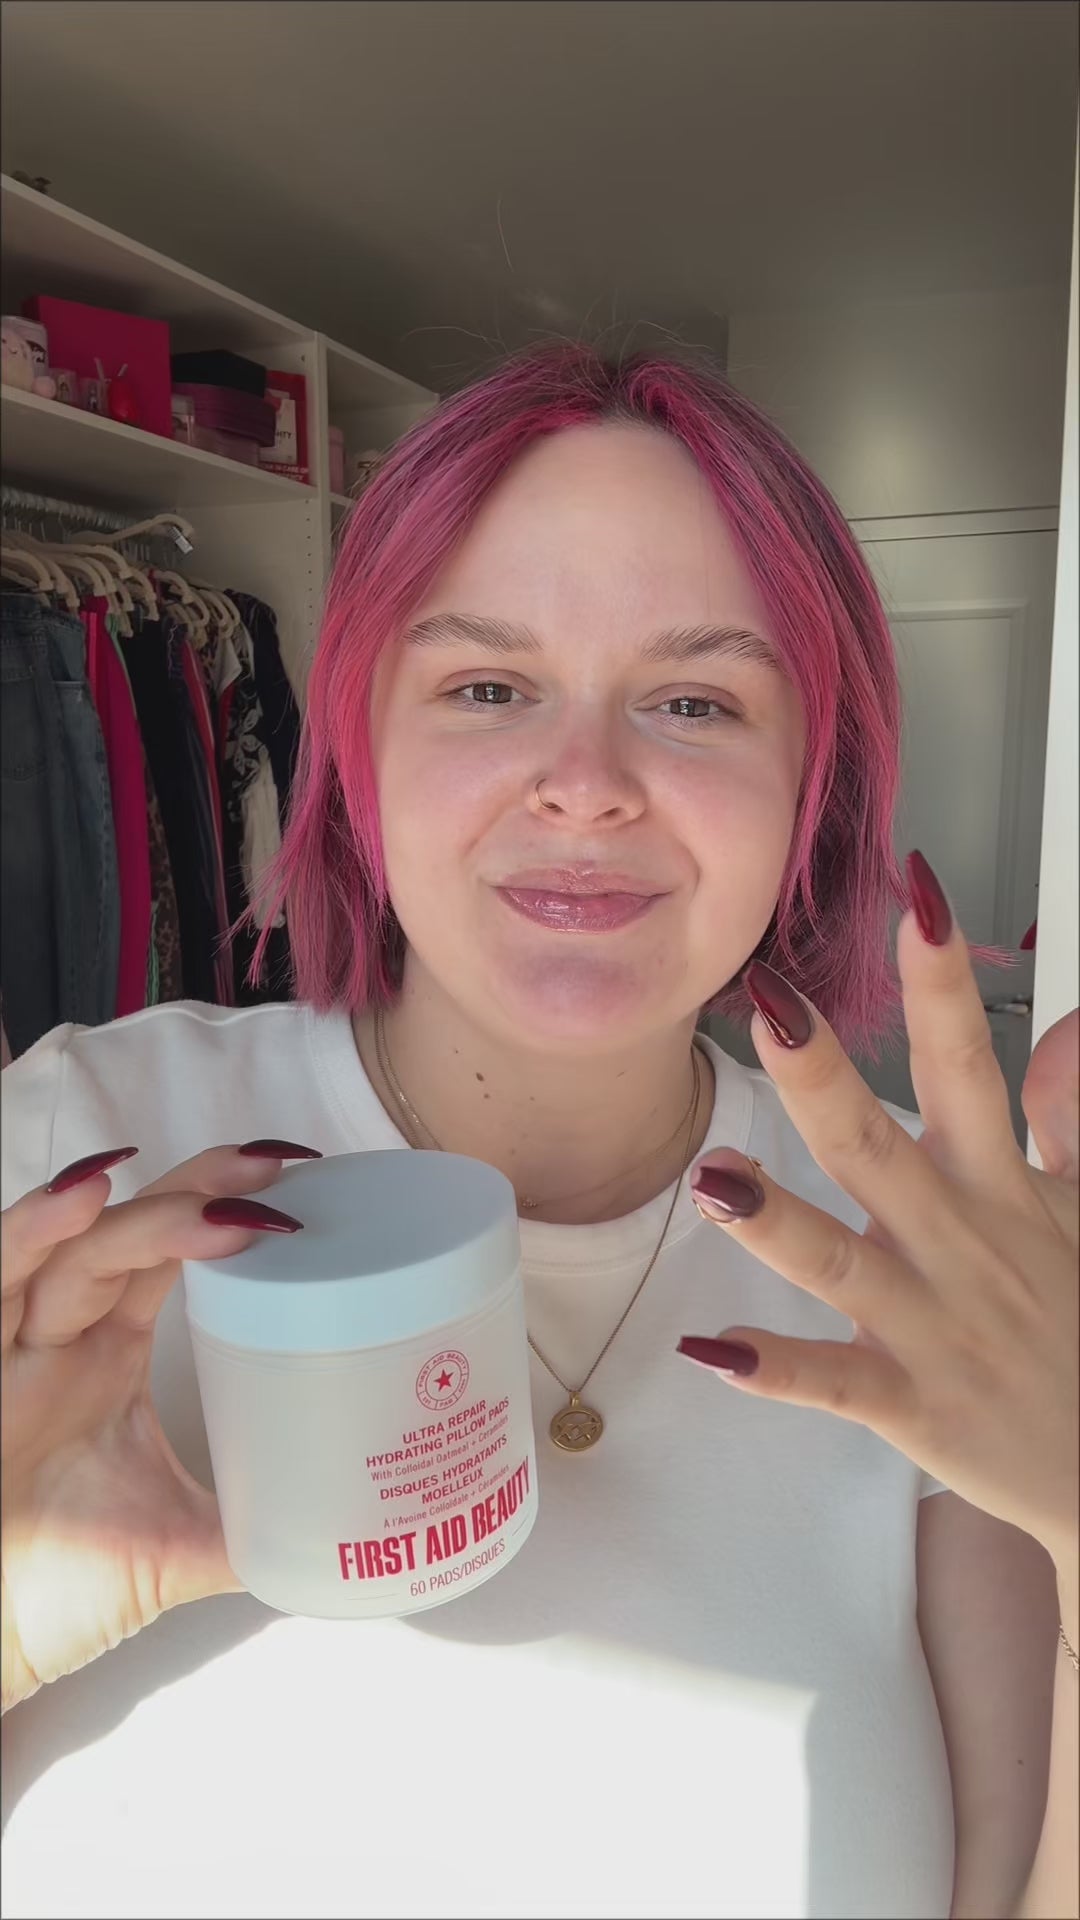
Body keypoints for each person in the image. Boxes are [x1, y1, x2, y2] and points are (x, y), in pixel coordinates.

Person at [1, 344, 1076, 1920]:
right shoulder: (68, 1162)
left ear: (811, 787)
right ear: (359, 746)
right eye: (488, 688)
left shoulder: (938, 1262)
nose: (584, 788)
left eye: (695, 700)